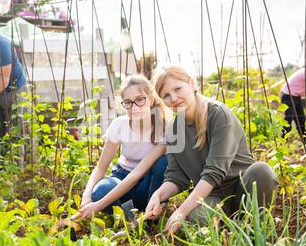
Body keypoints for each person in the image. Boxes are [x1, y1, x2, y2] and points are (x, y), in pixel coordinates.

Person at [145, 66, 279, 234]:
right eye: (166, 95)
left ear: (192, 84)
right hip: (213, 198)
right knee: (195, 219)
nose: (174, 98)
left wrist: (181, 211)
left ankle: (254, 229)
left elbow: (214, 172)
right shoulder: (174, 131)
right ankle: (232, 230)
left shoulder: (218, 114)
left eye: (177, 89)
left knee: (262, 171)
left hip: (243, 192)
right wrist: (158, 195)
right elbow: (176, 177)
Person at [77, 75, 169, 219]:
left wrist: (98, 206)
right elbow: (101, 168)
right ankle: (129, 212)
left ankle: (150, 210)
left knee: (164, 161)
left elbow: (136, 175)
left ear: (151, 100)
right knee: (99, 192)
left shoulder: (162, 129)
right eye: (128, 102)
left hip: (146, 184)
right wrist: (87, 195)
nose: (134, 107)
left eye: (140, 100)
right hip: (121, 175)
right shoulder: (119, 124)